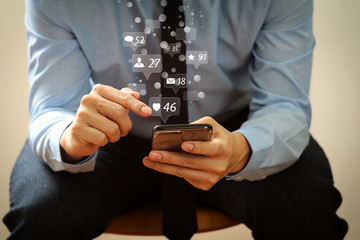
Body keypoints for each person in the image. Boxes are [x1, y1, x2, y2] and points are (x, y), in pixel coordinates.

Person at [3, 0, 348, 239]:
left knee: (307, 213)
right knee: (42, 215)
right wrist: (72, 140)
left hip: (235, 129)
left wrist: (241, 149)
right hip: (110, 135)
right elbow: (53, 109)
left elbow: (285, 105)